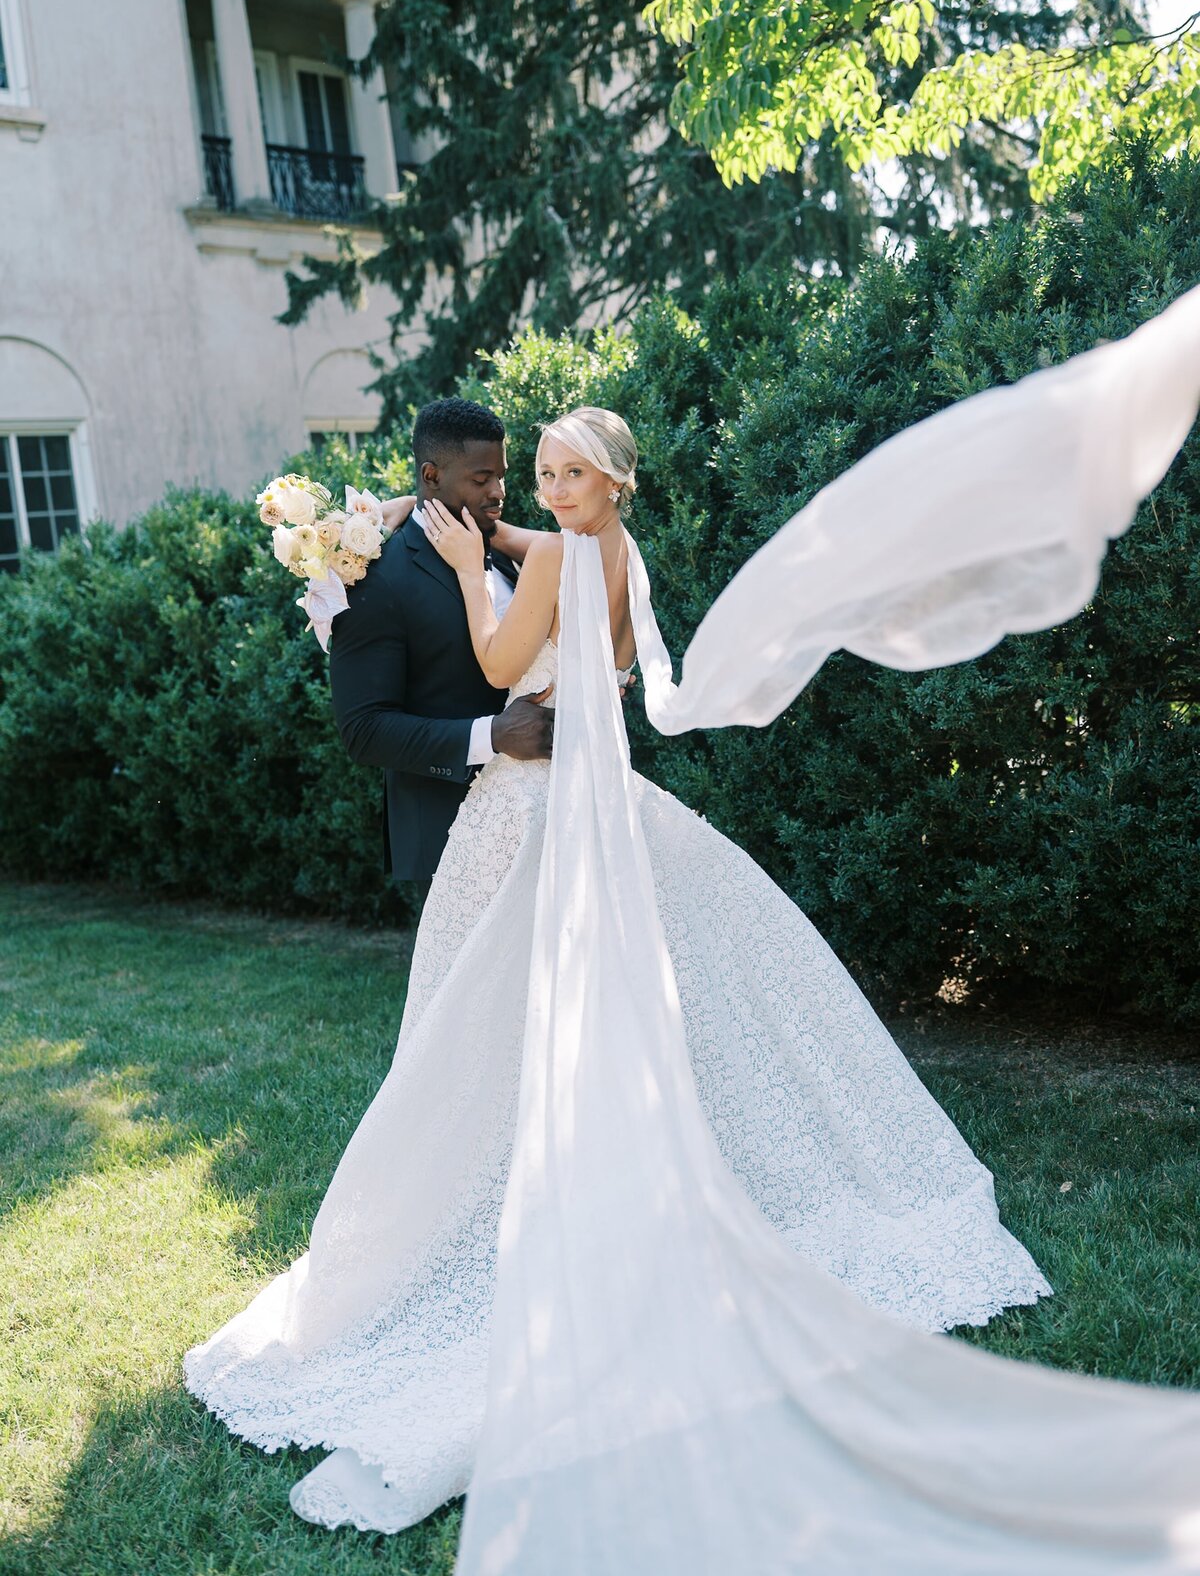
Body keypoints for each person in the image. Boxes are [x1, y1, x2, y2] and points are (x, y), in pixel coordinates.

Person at [186, 287, 1200, 1569]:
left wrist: (461, 563)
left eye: (547, 470)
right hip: (596, 807)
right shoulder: (609, 552)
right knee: (586, 1015)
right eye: (511, 473)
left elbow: (505, 669)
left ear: (587, 480)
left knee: (486, 1028)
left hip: (533, 810)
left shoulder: (537, 556)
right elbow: (567, 666)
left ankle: (525, 1212)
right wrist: (418, 534)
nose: (523, 488)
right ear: (449, 472)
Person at [327, 397, 554, 903]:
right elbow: (363, 731)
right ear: (431, 474)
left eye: (501, 475)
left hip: (543, 817)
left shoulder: (503, 552)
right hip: (451, 839)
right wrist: (492, 735)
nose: (498, 492)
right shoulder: (375, 579)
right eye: (481, 479)